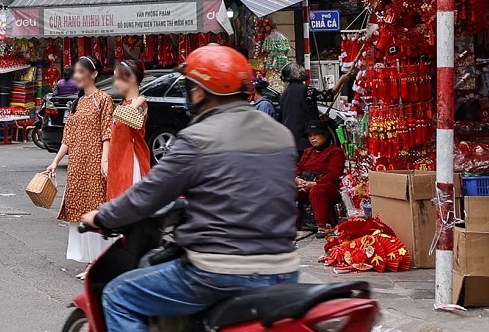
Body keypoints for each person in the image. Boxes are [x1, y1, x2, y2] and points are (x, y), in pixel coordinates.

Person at [81, 45, 300, 331]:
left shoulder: (197, 137)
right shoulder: (280, 133)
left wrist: (101, 216)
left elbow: (147, 195)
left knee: (118, 295)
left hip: (219, 271)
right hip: (285, 269)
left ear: (199, 91)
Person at [45, 56, 115, 275]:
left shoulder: (103, 99)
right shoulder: (78, 102)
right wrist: (55, 162)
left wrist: (105, 160)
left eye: (81, 71)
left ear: (93, 74)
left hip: (95, 162)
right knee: (79, 211)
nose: (77, 76)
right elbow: (68, 138)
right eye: (76, 72)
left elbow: (107, 133)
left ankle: (98, 262)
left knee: (95, 207)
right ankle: (90, 261)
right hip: (77, 164)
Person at [104, 60, 150, 201]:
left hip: (130, 161)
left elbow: (130, 112)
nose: (116, 83)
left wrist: (140, 98)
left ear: (132, 79)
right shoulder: (126, 104)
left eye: (119, 78)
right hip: (119, 160)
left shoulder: (139, 104)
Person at [295, 120, 346, 238]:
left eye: (316, 135)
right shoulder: (308, 152)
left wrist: (314, 183)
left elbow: (334, 174)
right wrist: (298, 179)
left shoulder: (335, 152)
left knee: (317, 191)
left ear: (325, 135)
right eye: (310, 136)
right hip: (306, 182)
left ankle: (322, 226)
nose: (312, 138)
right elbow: (299, 167)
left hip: (326, 185)